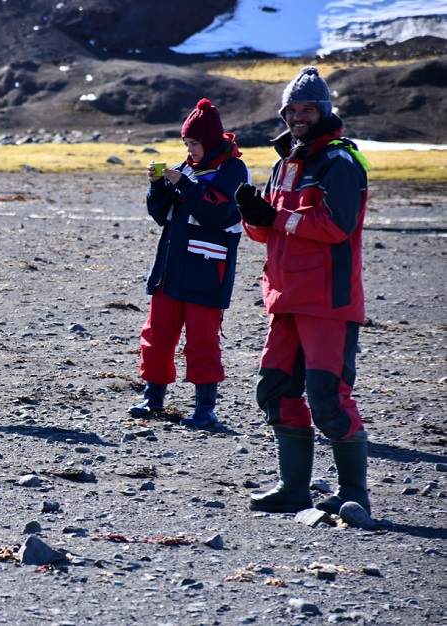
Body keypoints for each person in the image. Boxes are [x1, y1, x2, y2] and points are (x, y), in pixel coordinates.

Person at [235, 66, 372, 515]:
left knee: (328, 399)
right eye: (292, 109)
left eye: (307, 109)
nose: (298, 116)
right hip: (285, 298)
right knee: (276, 391)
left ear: (323, 112)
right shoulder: (285, 163)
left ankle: (354, 494)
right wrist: (255, 215)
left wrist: (273, 217)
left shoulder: (338, 162)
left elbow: (336, 226)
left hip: (327, 302)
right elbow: (268, 235)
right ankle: (294, 488)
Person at [129, 98, 248, 429]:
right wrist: (157, 186)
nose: (190, 149)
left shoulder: (233, 170)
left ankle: (205, 409)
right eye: (186, 143)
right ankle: (153, 398)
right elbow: (160, 216)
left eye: (194, 143)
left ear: (210, 141)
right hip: (171, 269)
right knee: (157, 335)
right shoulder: (186, 169)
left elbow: (217, 213)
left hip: (208, 272)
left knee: (202, 340)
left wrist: (184, 185)